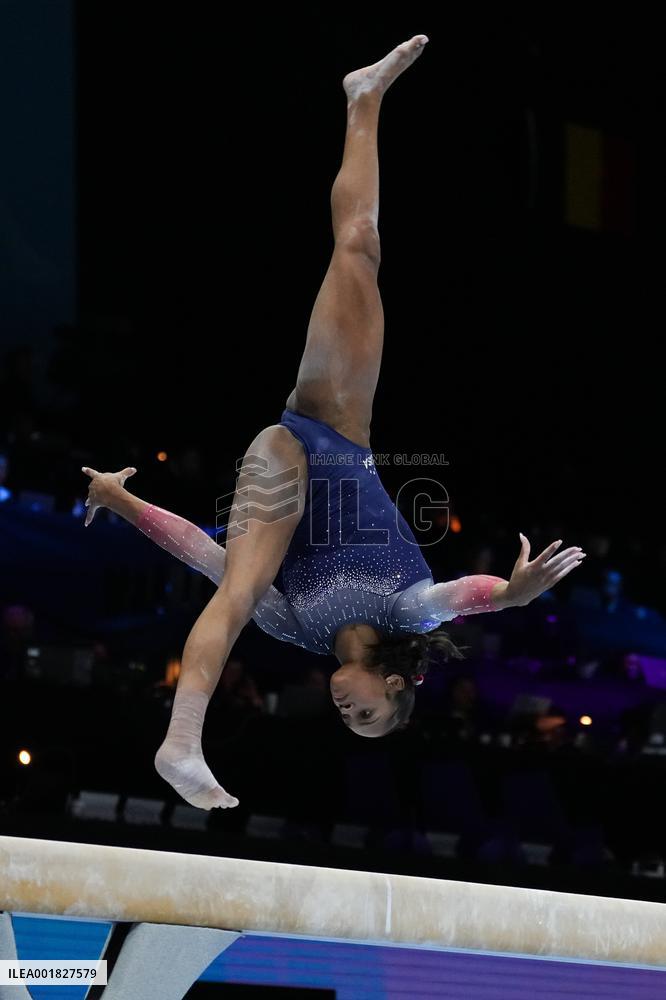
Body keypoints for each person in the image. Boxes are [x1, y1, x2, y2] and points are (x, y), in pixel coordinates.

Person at [81, 35, 585, 809]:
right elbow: (469, 593)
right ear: (391, 682)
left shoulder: (295, 631)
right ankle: (364, 97)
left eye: (353, 722)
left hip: (284, 455)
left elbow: (199, 554)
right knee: (360, 246)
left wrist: (126, 504)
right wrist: (514, 597)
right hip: (339, 428)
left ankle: (181, 739)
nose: (351, 714)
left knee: (239, 591)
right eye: (369, 714)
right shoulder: (405, 606)